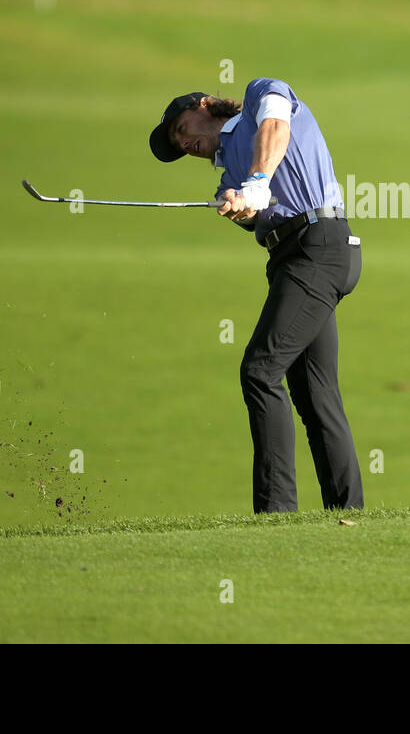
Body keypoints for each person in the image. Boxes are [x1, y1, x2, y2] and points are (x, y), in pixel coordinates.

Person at [149, 77, 364, 514]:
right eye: (177, 144)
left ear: (205, 105)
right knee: (314, 394)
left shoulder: (258, 98)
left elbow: (276, 128)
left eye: (181, 128)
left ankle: (275, 513)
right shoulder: (227, 173)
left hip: (319, 246)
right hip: (289, 259)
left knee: (260, 370)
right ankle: (348, 513)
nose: (184, 142)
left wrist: (258, 181)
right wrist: (240, 204)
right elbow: (253, 213)